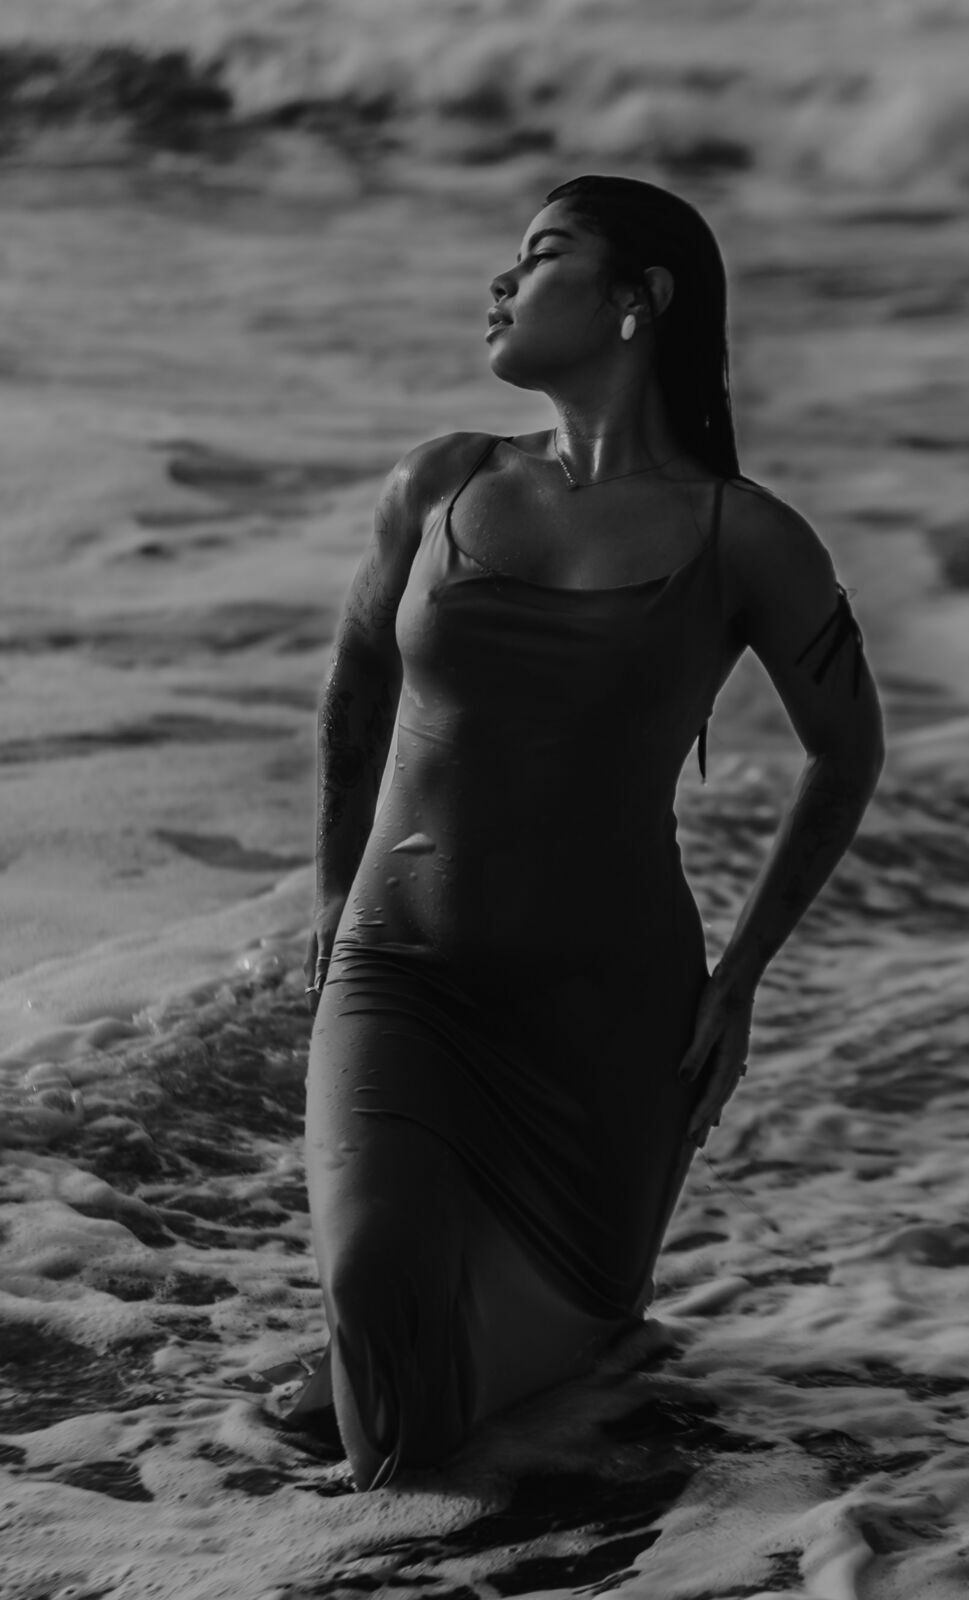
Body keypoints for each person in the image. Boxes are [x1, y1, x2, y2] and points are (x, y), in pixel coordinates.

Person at [281, 174, 885, 1490]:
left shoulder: (746, 539)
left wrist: (742, 975)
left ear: (637, 298)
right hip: (404, 976)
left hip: (607, 1022)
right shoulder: (439, 483)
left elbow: (847, 751)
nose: (502, 279)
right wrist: (333, 899)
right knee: (381, 1283)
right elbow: (353, 689)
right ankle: (363, 1553)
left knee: (566, 1379)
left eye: (541, 253)